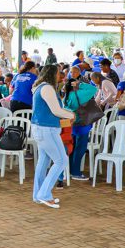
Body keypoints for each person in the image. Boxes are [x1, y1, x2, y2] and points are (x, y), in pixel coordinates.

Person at [31, 65, 77, 208]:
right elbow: (56, 110)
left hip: (42, 128)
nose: (61, 75)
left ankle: (38, 194)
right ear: (52, 74)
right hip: (47, 130)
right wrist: (71, 115)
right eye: (59, 73)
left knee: (43, 162)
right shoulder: (47, 88)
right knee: (61, 160)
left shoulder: (41, 87)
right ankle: (44, 194)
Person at [63, 68, 96, 182]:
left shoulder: (67, 96)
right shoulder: (81, 94)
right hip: (82, 124)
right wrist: (80, 84)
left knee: (71, 148)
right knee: (80, 148)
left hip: (71, 124)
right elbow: (93, 88)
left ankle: (71, 169)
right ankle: (76, 171)